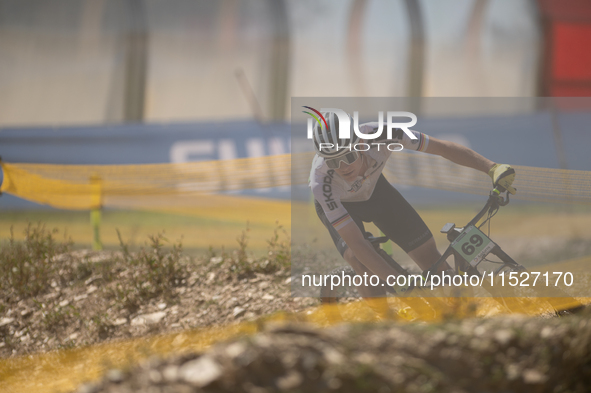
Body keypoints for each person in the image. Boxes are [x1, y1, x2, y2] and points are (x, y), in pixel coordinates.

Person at [309, 111, 516, 310]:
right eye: (334, 161)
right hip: (343, 205)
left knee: (429, 255)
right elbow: (357, 243)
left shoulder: (385, 135)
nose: (343, 166)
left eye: (349, 156)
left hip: (375, 192)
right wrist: (398, 283)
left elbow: (442, 148)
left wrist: (492, 168)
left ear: (361, 143)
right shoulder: (321, 181)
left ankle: (461, 314)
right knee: (360, 260)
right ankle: (380, 322)